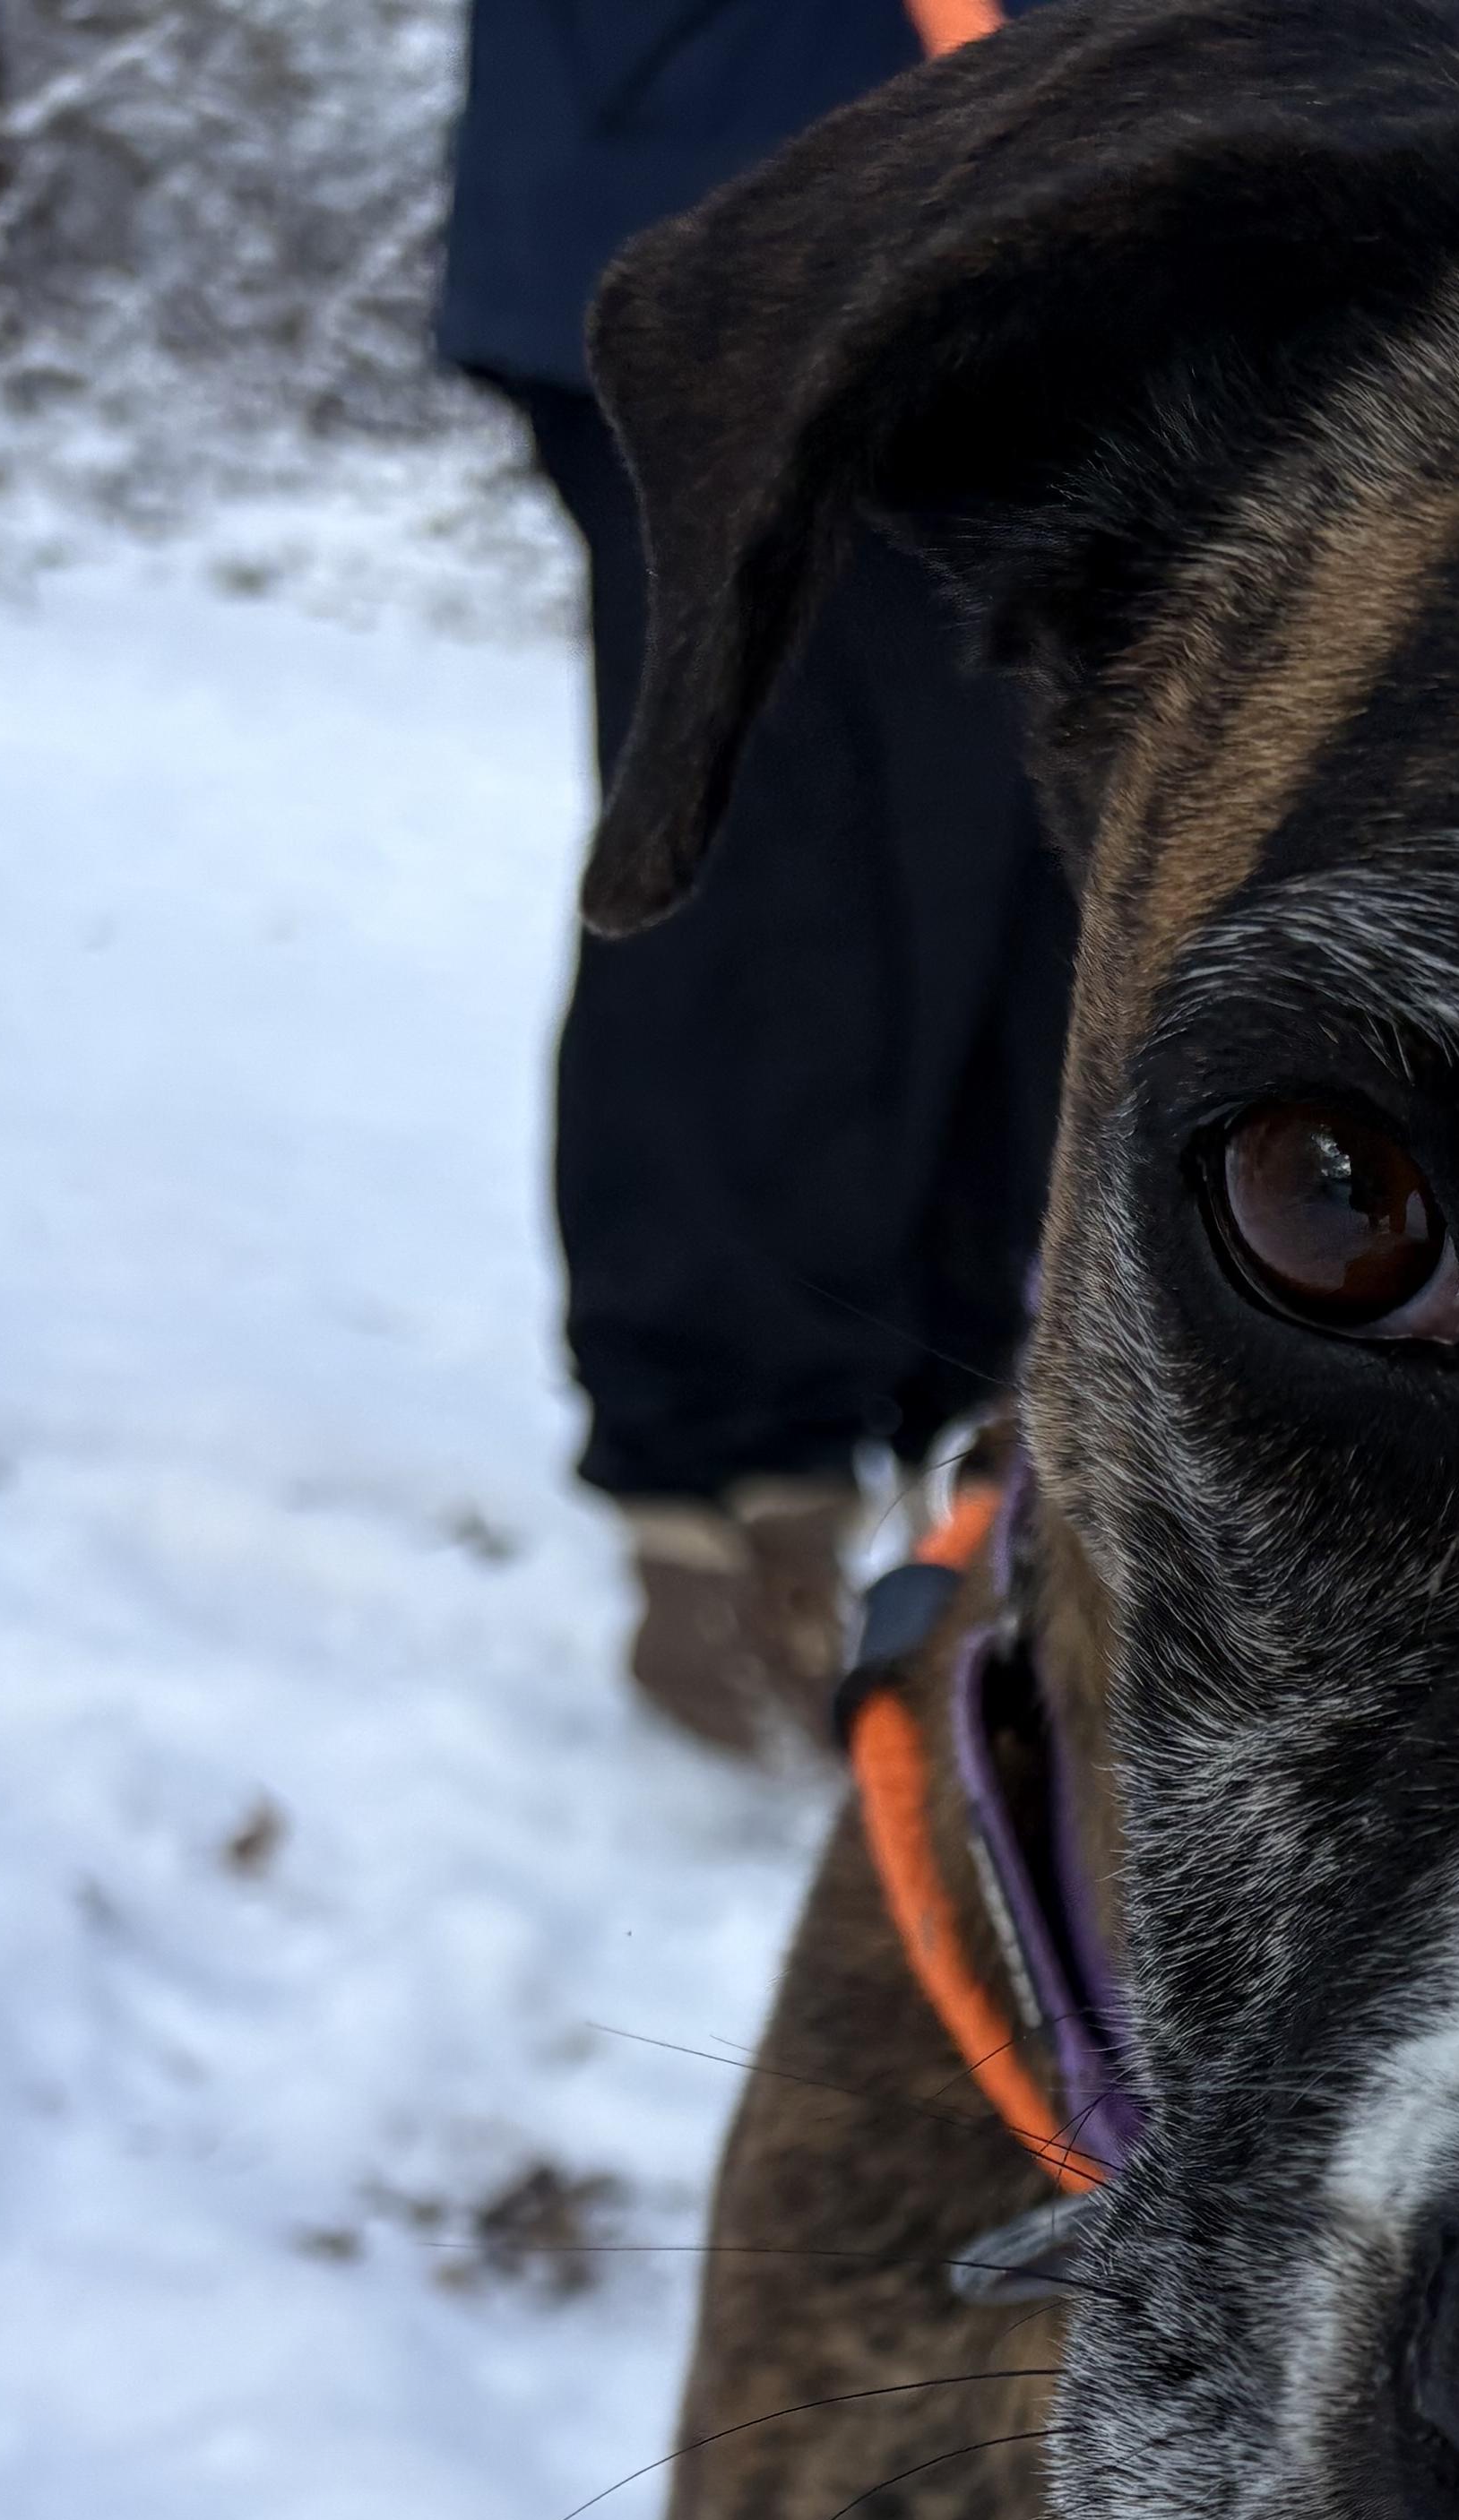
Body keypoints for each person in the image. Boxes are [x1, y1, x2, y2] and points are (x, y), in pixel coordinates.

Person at [435, 2, 1075, 1755]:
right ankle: (728, 1512)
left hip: (1097, 239)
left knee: (1044, 904)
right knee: (780, 877)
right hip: (779, 183)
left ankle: (975, 1487)